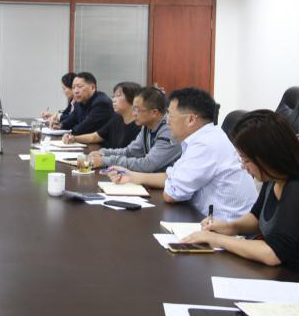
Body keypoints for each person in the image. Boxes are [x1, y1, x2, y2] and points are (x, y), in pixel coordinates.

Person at [182, 110, 299, 283]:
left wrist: (217, 239)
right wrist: (231, 227)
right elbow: (256, 218)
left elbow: (272, 254)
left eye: (246, 160)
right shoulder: (275, 176)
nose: (243, 166)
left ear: (266, 157)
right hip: (280, 275)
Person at [107, 87, 256, 221]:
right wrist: (132, 176)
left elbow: (172, 194)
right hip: (205, 220)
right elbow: (172, 176)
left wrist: (167, 181)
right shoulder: (202, 138)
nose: (167, 122)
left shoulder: (205, 144)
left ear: (190, 119)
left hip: (227, 230)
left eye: (170, 116)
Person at [88, 86, 180, 172]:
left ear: (154, 112)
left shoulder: (169, 131)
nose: (133, 114)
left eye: (137, 110)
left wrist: (105, 161)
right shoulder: (147, 126)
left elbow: (148, 164)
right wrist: (103, 153)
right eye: (133, 109)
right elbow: (130, 152)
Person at [62, 81, 140, 149]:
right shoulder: (117, 118)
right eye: (113, 96)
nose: (113, 100)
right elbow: (95, 137)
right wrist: (74, 138)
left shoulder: (140, 126)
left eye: (118, 96)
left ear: (133, 99)